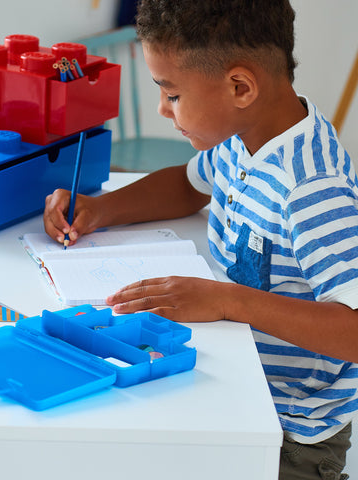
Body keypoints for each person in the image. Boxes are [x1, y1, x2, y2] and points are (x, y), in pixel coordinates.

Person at [43, 1, 358, 478]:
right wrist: (100, 209)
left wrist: (230, 301)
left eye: (171, 93)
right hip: (233, 390)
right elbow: (189, 186)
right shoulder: (241, 135)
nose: (162, 109)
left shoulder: (313, 189)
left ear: (239, 87)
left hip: (289, 437)